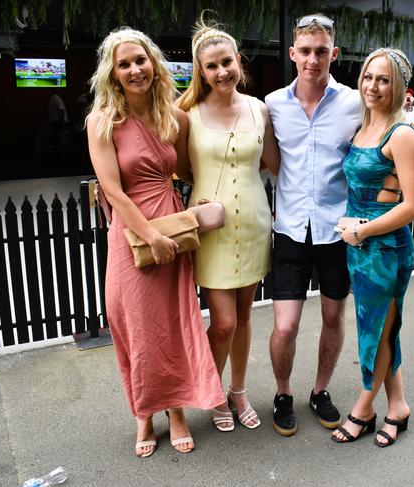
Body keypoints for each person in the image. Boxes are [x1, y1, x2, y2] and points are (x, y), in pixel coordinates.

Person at [86, 27, 224, 458]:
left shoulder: (172, 116)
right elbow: (113, 190)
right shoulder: (102, 121)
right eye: (124, 64)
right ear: (112, 72)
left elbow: (181, 168)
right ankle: (144, 412)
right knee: (136, 326)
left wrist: (199, 202)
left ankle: (177, 410)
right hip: (132, 235)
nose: (134, 70)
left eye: (140, 61)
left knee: (173, 324)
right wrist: (150, 237)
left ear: (154, 65)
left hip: (173, 227)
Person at [176, 20, 279, 433]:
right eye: (212, 66)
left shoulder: (259, 109)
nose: (222, 72)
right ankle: (212, 390)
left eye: (227, 62)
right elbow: (180, 169)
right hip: (213, 230)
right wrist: (200, 194)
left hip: (254, 222)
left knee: (245, 314)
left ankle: (238, 390)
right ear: (201, 72)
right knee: (222, 321)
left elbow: (273, 162)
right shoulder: (187, 115)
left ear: (239, 61)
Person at [264, 13, 362, 437]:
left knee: (333, 318)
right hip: (289, 229)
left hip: (336, 230)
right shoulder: (272, 104)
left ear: (334, 53)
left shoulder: (355, 103)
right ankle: (283, 393)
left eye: (321, 51)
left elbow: (388, 137)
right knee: (285, 325)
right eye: (305, 51)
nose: (312, 59)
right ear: (292, 54)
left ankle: (320, 390)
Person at [332, 47, 414, 448]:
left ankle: (365, 407)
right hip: (360, 245)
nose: (373, 85)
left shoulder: (401, 134)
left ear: (399, 86)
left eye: (384, 79)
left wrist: (364, 230)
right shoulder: (364, 127)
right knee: (383, 329)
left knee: (377, 333)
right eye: (369, 76)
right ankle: (399, 406)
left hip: (385, 248)